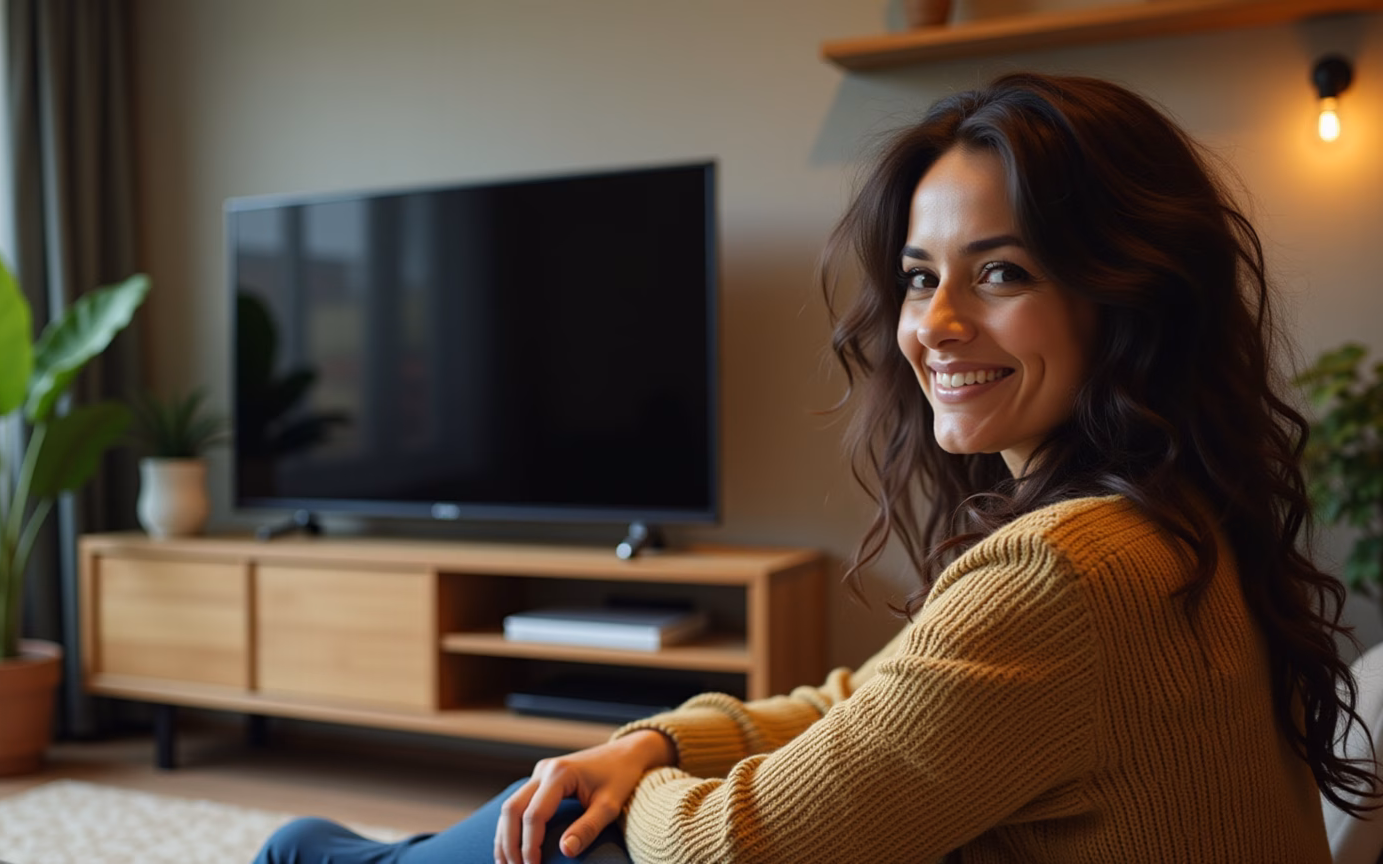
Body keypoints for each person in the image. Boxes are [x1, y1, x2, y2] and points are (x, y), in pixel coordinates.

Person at [253, 72, 1375, 864]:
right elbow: (874, 707)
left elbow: (742, 849)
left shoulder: (1069, 575)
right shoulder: (1165, 523)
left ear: (1127, 297)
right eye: (920, 276)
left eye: (1001, 274)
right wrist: (649, 741)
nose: (932, 324)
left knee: (540, 836)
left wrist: (640, 785)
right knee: (537, 809)